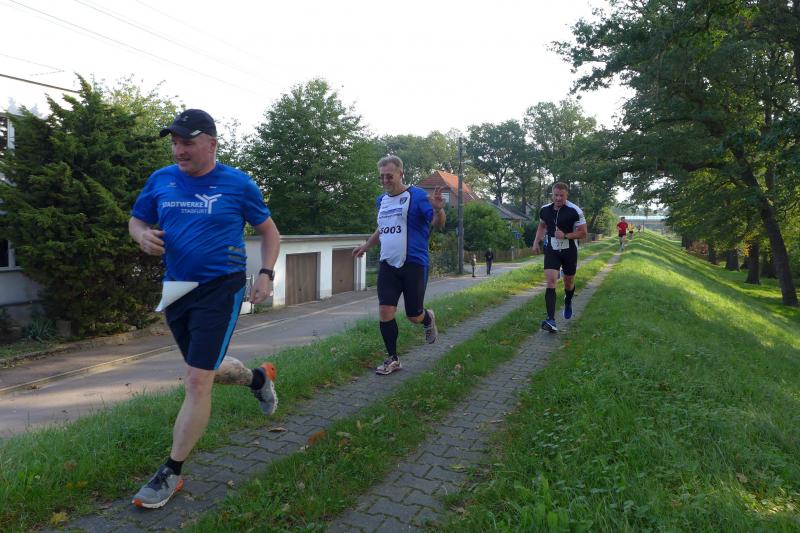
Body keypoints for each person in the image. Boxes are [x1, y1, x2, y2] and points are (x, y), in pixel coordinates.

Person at [128, 109, 281, 509]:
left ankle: (171, 472)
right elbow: (137, 220)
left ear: (211, 143)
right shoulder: (161, 179)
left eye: (187, 142)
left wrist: (266, 274)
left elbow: (269, 232)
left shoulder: (238, 184)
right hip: (177, 288)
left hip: (221, 288)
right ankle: (258, 379)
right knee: (205, 369)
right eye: (175, 142)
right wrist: (142, 235)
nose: (179, 150)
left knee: (197, 381)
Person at [352, 155, 445, 375]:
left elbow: (438, 224)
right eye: (381, 177)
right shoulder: (381, 200)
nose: (385, 180)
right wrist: (366, 246)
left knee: (414, 315)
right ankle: (392, 358)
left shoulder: (417, 196)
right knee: (385, 311)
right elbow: (383, 227)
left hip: (414, 264)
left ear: (401, 174)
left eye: (389, 176)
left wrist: (439, 210)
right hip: (388, 264)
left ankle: (427, 318)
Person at [532, 182, 587, 333]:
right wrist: (536, 242)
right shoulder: (544, 210)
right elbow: (542, 225)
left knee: (569, 283)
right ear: (552, 194)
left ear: (566, 195)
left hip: (569, 250)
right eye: (555, 195)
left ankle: (568, 300)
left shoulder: (575, 210)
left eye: (561, 196)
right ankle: (551, 320)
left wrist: (566, 235)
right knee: (551, 280)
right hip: (552, 249)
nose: (558, 198)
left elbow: (583, 233)